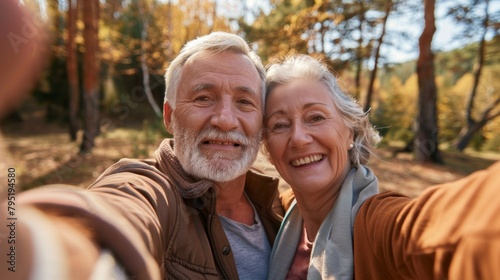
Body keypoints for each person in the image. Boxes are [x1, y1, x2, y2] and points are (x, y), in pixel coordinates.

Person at [0, 32, 286, 280]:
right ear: (170, 116)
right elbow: (120, 209)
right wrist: (42, 252)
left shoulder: (278, 209)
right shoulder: (148, 188)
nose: (225, 120)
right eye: (203, 98)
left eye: (244, 102)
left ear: (261, 124)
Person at [262, 54, 500, 280]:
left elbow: (465, 227)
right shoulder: (277, 210)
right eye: (280, 125)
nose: (299, 138)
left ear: (350, 133)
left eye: (316, 118)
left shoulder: (380, 224)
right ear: (268, 151)